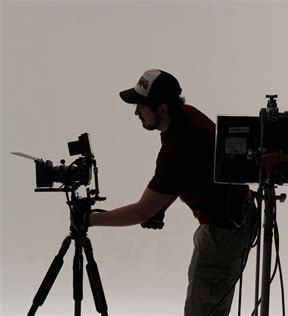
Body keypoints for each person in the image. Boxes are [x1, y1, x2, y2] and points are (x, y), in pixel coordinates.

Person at [85, 69, 250, 315]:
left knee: (202, 311)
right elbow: (183, 177)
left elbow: (142, 211)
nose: (136, 112)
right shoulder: (183, 117)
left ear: (162, 108)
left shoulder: (180, 144)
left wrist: (88, 219)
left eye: (141, 106)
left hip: (223, 232)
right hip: (228, 225)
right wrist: (162, 206)